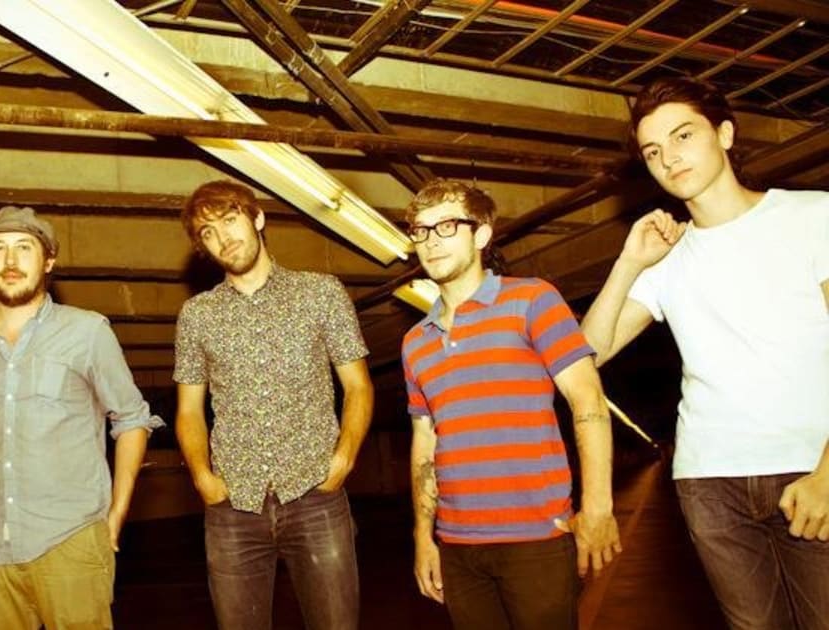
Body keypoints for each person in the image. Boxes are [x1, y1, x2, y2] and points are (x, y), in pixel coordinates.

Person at [581, 75, 829, 630]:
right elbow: (586, 355)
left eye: (683, 135)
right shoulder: (665, 257)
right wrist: (628, 263)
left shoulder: (814, 216)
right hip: (710, 481)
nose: (668, 158)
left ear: (725, 134)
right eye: (652, 151)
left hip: (811, 467)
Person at [0, 206, 163, 630]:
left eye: (24, 248)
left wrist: (115, 515)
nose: (10, 260)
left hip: (69, 541)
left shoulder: (87, 331)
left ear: (48, 261)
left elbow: (131, 420)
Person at [401, 179, 620, 630]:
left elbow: (587, 398)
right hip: (458, 548)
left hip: (536, 538)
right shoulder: (414, 342)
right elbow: (425, 443)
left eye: (446, 226)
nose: (431, 241)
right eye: (421, 231)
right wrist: (424, 537)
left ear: (481, 234)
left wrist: (598, 507)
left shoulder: (532, 300)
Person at [172, 180, 374, 630]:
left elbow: (358, 386)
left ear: (258, 218)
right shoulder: (197, 316)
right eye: (208, 232)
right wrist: (203, 477)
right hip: (232, 507)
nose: (223, 238)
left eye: (230, 220)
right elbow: (188, 410)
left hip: (315, 496)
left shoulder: (321, 293)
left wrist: (344, 458)